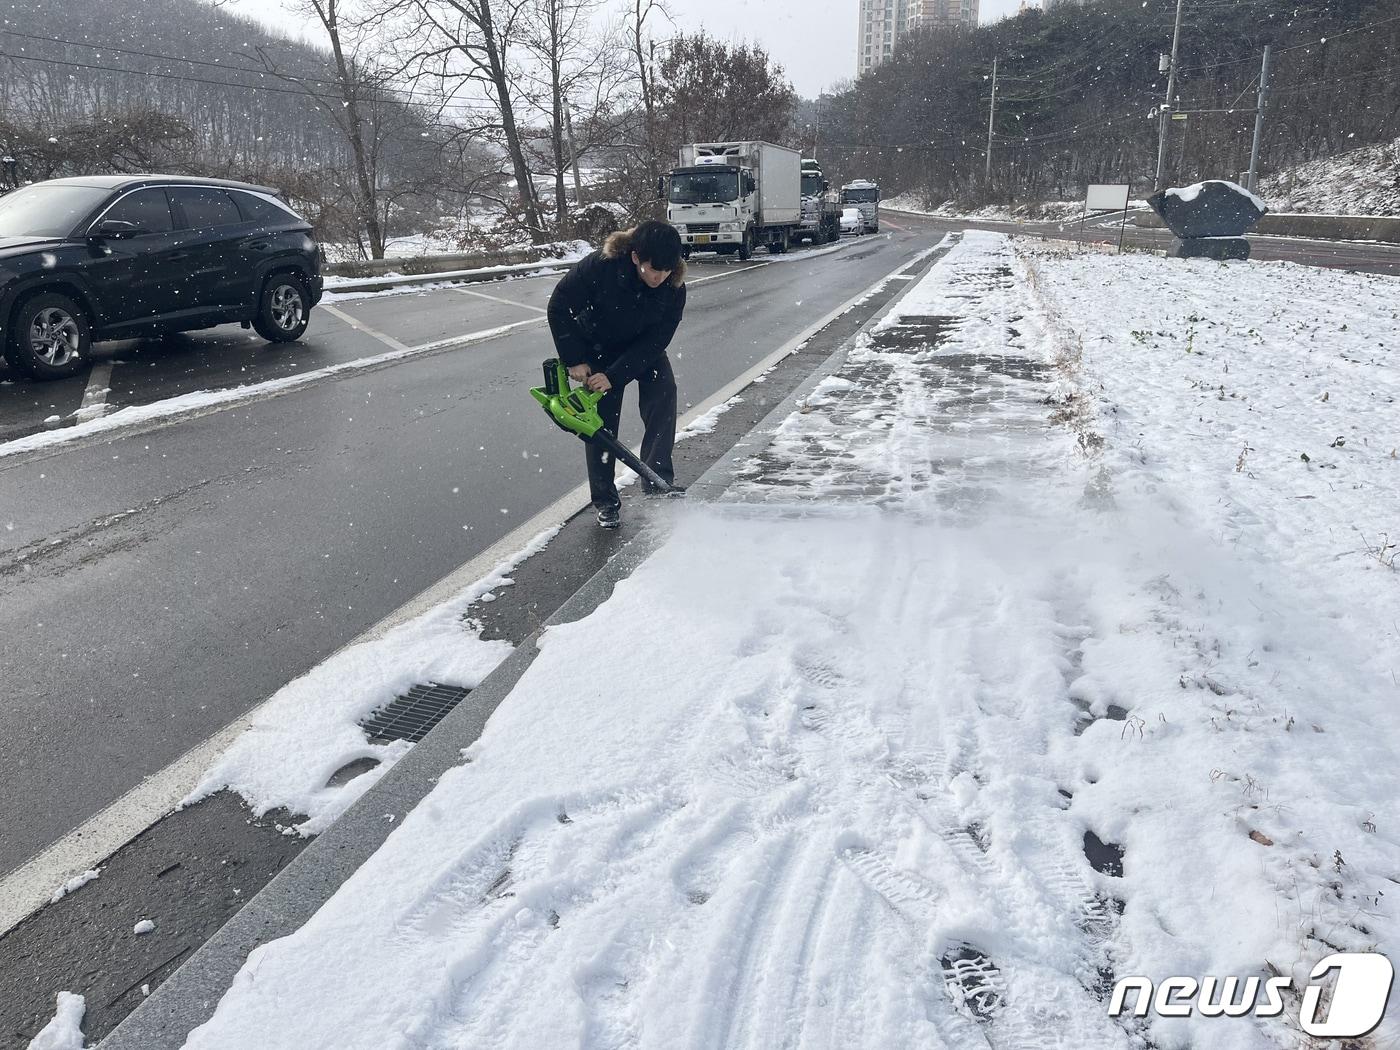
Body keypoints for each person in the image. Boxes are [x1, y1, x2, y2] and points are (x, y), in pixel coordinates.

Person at [546, 220, 688, 529]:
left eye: (666, 270)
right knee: (601, 427)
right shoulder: (600, 267)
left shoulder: (674, 284)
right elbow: (558, 306)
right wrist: (575, 359)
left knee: (664, 393)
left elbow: (658, 340)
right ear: (636, 257)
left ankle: (658, 482)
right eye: (653, 270)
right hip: (597, 345)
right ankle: (605, 501)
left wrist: (616, 374)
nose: (659, 277)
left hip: (642, 349)